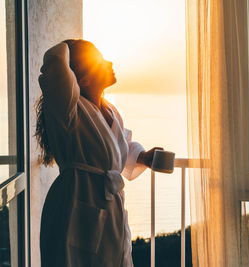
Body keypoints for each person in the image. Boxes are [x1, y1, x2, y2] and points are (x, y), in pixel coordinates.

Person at [36, 39, 162, 267]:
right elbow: (55, 60)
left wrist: (143, 157)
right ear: (82, 78)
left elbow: (119, 147)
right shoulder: (68, 108)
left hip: (108, 209)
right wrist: (73, 45)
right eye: (100, 60)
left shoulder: (109, 110)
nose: (110, 62)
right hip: (75, 207)